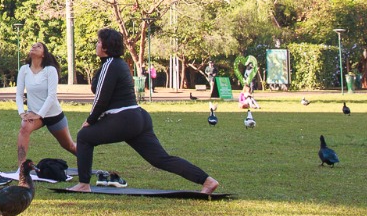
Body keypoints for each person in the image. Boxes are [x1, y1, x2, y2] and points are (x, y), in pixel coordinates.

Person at [69, 28, 219, 195]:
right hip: (137, 118)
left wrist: (90, 120)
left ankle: (83, 184)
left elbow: (101, 99)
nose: (96, 45)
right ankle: (207, 181)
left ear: (105, 47)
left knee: (84, 136)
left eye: (98, 42)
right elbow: (101, 90)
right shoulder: (116, 65)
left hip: (124, 119)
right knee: (160, 159)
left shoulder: (111, 64)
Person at [15, 41, 75, 165]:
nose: (34, 47)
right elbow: (19, 94)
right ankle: (21, 168)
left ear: (43, 54)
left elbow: (51, 96)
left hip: (53, 114)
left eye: (38, 46)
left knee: (69, 145)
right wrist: (22, 113)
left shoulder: (50, 70)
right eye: (33, 46)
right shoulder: (24, 69)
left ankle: (87, 161)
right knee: (24, 128)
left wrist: (40, 114)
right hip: (34, 114)